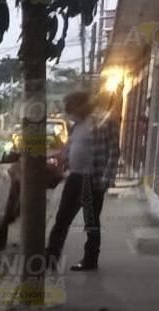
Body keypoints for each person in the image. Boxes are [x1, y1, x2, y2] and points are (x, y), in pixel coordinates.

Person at [45, 91, 121, 271]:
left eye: (70, 107)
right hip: (75, 177)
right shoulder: (76, 125)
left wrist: (106, 179)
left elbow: (113, 151)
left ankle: (90, 259)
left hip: (92, 179)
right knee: (62, 218)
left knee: (91, 222)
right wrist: (47, 156)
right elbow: (68, 148)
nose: (68, 111)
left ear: (81, 105)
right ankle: (50, 258)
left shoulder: (104, 122)